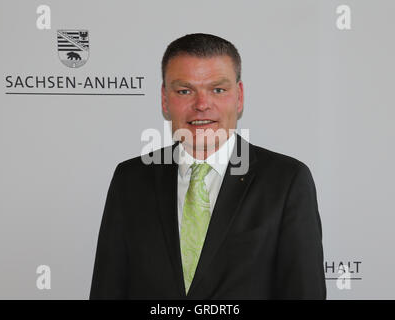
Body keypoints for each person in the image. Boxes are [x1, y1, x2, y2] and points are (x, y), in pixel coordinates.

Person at [89, 33, 326, 299]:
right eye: (184, 91)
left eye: (217, 90)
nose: (202, 105)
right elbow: (107, 289)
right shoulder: (130, 179)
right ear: (165, 100)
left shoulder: (286, 180)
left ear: (239, 97)